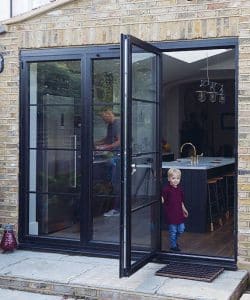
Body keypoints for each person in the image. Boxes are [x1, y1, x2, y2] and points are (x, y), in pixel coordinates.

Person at [95, 109, 120, 217]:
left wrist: (104, 147)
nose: (103, 121)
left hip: (119, 157)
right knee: (111, 181)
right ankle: (113, 207)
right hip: (113, 156)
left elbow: (120, 141)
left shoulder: (118, 124)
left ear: (109, 115)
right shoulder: (110, 125)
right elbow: (108, 139)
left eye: (104, 118)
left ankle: (117, 209)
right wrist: (97, 142)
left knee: (116, 183)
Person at [161, 168, 188, 252]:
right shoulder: (166, 190)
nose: (176, 180)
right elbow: (162, 200)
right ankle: (173, 245)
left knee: (181, 229)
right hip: (171, 214)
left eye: (178, 178)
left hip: (179, 213)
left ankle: (174, 241)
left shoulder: (179, 190)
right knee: (173, 231)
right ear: (169, 179)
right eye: (173, 178)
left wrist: (184, 210)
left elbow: (181, 202)